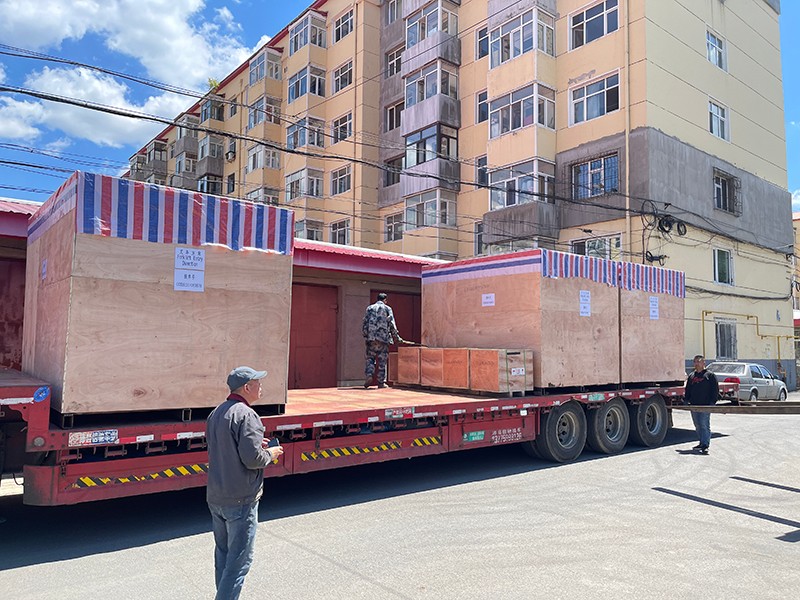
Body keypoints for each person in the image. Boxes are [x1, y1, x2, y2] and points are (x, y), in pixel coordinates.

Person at [206, 366, 284, 600]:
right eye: (258, 382)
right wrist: (271, 453)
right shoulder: (248, 415)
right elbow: (253, 460)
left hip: (217, 496)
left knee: (223, 557)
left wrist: (256, 445)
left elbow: (226, 448)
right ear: (247, 387)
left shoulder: (216, 413)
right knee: (238, 564)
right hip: (241, 498)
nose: (261, 386)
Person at [362, 292, 404, 389]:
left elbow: (365, 322)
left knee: (370, 358)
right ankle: (381, 382)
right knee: (382, 360)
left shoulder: (369, 308)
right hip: (383, 339)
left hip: (371, 338)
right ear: (385, 300)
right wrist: (396, 337)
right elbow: (392, 323)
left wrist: (366, 335)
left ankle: (369, 375)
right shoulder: (387, 309)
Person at [684, 355, 719, 454]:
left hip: (705, 405)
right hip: (694, 405)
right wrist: (686, 400)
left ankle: (705, 445)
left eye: (698, 361)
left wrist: (712, 402)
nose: (696, 364)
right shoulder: (692, 376)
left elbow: (715, 390)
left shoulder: (710, 375)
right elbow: (688, 389)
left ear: (704, 363)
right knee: (697, 425)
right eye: (695, 362)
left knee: (704, 424)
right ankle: (701, 442)